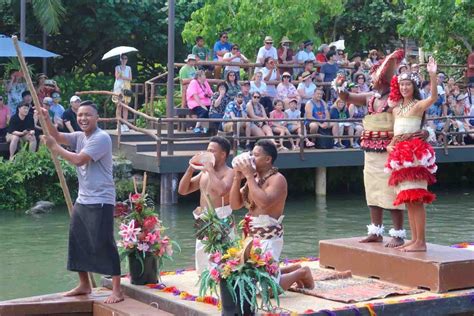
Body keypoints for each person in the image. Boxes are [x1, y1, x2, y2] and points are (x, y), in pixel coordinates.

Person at [40, 101, 123, 303]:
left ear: (97, 118)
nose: (83, 118)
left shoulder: (101, 138)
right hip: (83, 198)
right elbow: (58, 135)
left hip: (101, 198)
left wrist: (55, 148)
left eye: (88, 115)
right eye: (80, 115)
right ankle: (84, 284)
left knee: (104, 242)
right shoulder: (79, 136)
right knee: (77, 240)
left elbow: (79, 159)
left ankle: (117, 290)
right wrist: (47, 118)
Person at [337, 49, 407, 247]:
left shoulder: (396, 101)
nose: (371, 81)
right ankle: (375, 231)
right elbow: (347, 97)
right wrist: (340, 86)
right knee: (373, 190)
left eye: (373, 78)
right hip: (370, 152)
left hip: (391, 151)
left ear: (383, 80)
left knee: (392, 192)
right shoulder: (370, 97)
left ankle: (398, 234)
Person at [230, 140, 314, 291]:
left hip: (269, 235)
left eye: (255, 155)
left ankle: (302, 273)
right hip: (250, 235)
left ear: (268, 159)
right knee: (247, 279)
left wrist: (248, 176)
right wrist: (237, 178)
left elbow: (263, 203)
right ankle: (288, 271)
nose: (251, 159)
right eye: (251, 155)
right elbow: (235, 205)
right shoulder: (254, 179)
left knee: (267, 289)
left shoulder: (278, 179)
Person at [385, 57, 438, 252]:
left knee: (416, 198)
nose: (404, 87)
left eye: (408, 84)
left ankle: (421, 242)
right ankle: (415, 239)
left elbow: (433, 97)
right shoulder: (397, 109)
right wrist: (391, 147)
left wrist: (432, 75)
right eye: (402, 84)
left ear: (413, 86)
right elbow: (396, 134)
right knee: (407, 199)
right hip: (400, 156)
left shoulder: (417, 105)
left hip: (414, 156)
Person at [178, 136, 234, 274]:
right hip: (203, 218)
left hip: (221, 218)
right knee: (201, 254)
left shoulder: (230, 172)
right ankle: (204, 284)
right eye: (207, 150)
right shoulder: (204, 173)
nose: (208, 154)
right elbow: (183, 190)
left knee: (220, 257)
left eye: (212, 151)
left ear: (223, 154)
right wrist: (191, 169)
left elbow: (222, 190)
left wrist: (210, 170)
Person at [113, 54, 132, 132]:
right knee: (119, 105)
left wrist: (122, 76)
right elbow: (117, 77)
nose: (124, 60)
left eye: (126, 58)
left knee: (125, 106)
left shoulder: (129, 68)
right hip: (118, 87)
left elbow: (130, 78)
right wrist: (122, 76)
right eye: (123, 58)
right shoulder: (117, 67)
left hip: (126, 87)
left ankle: (125, 124)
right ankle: (118, 124)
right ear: (120, 59)